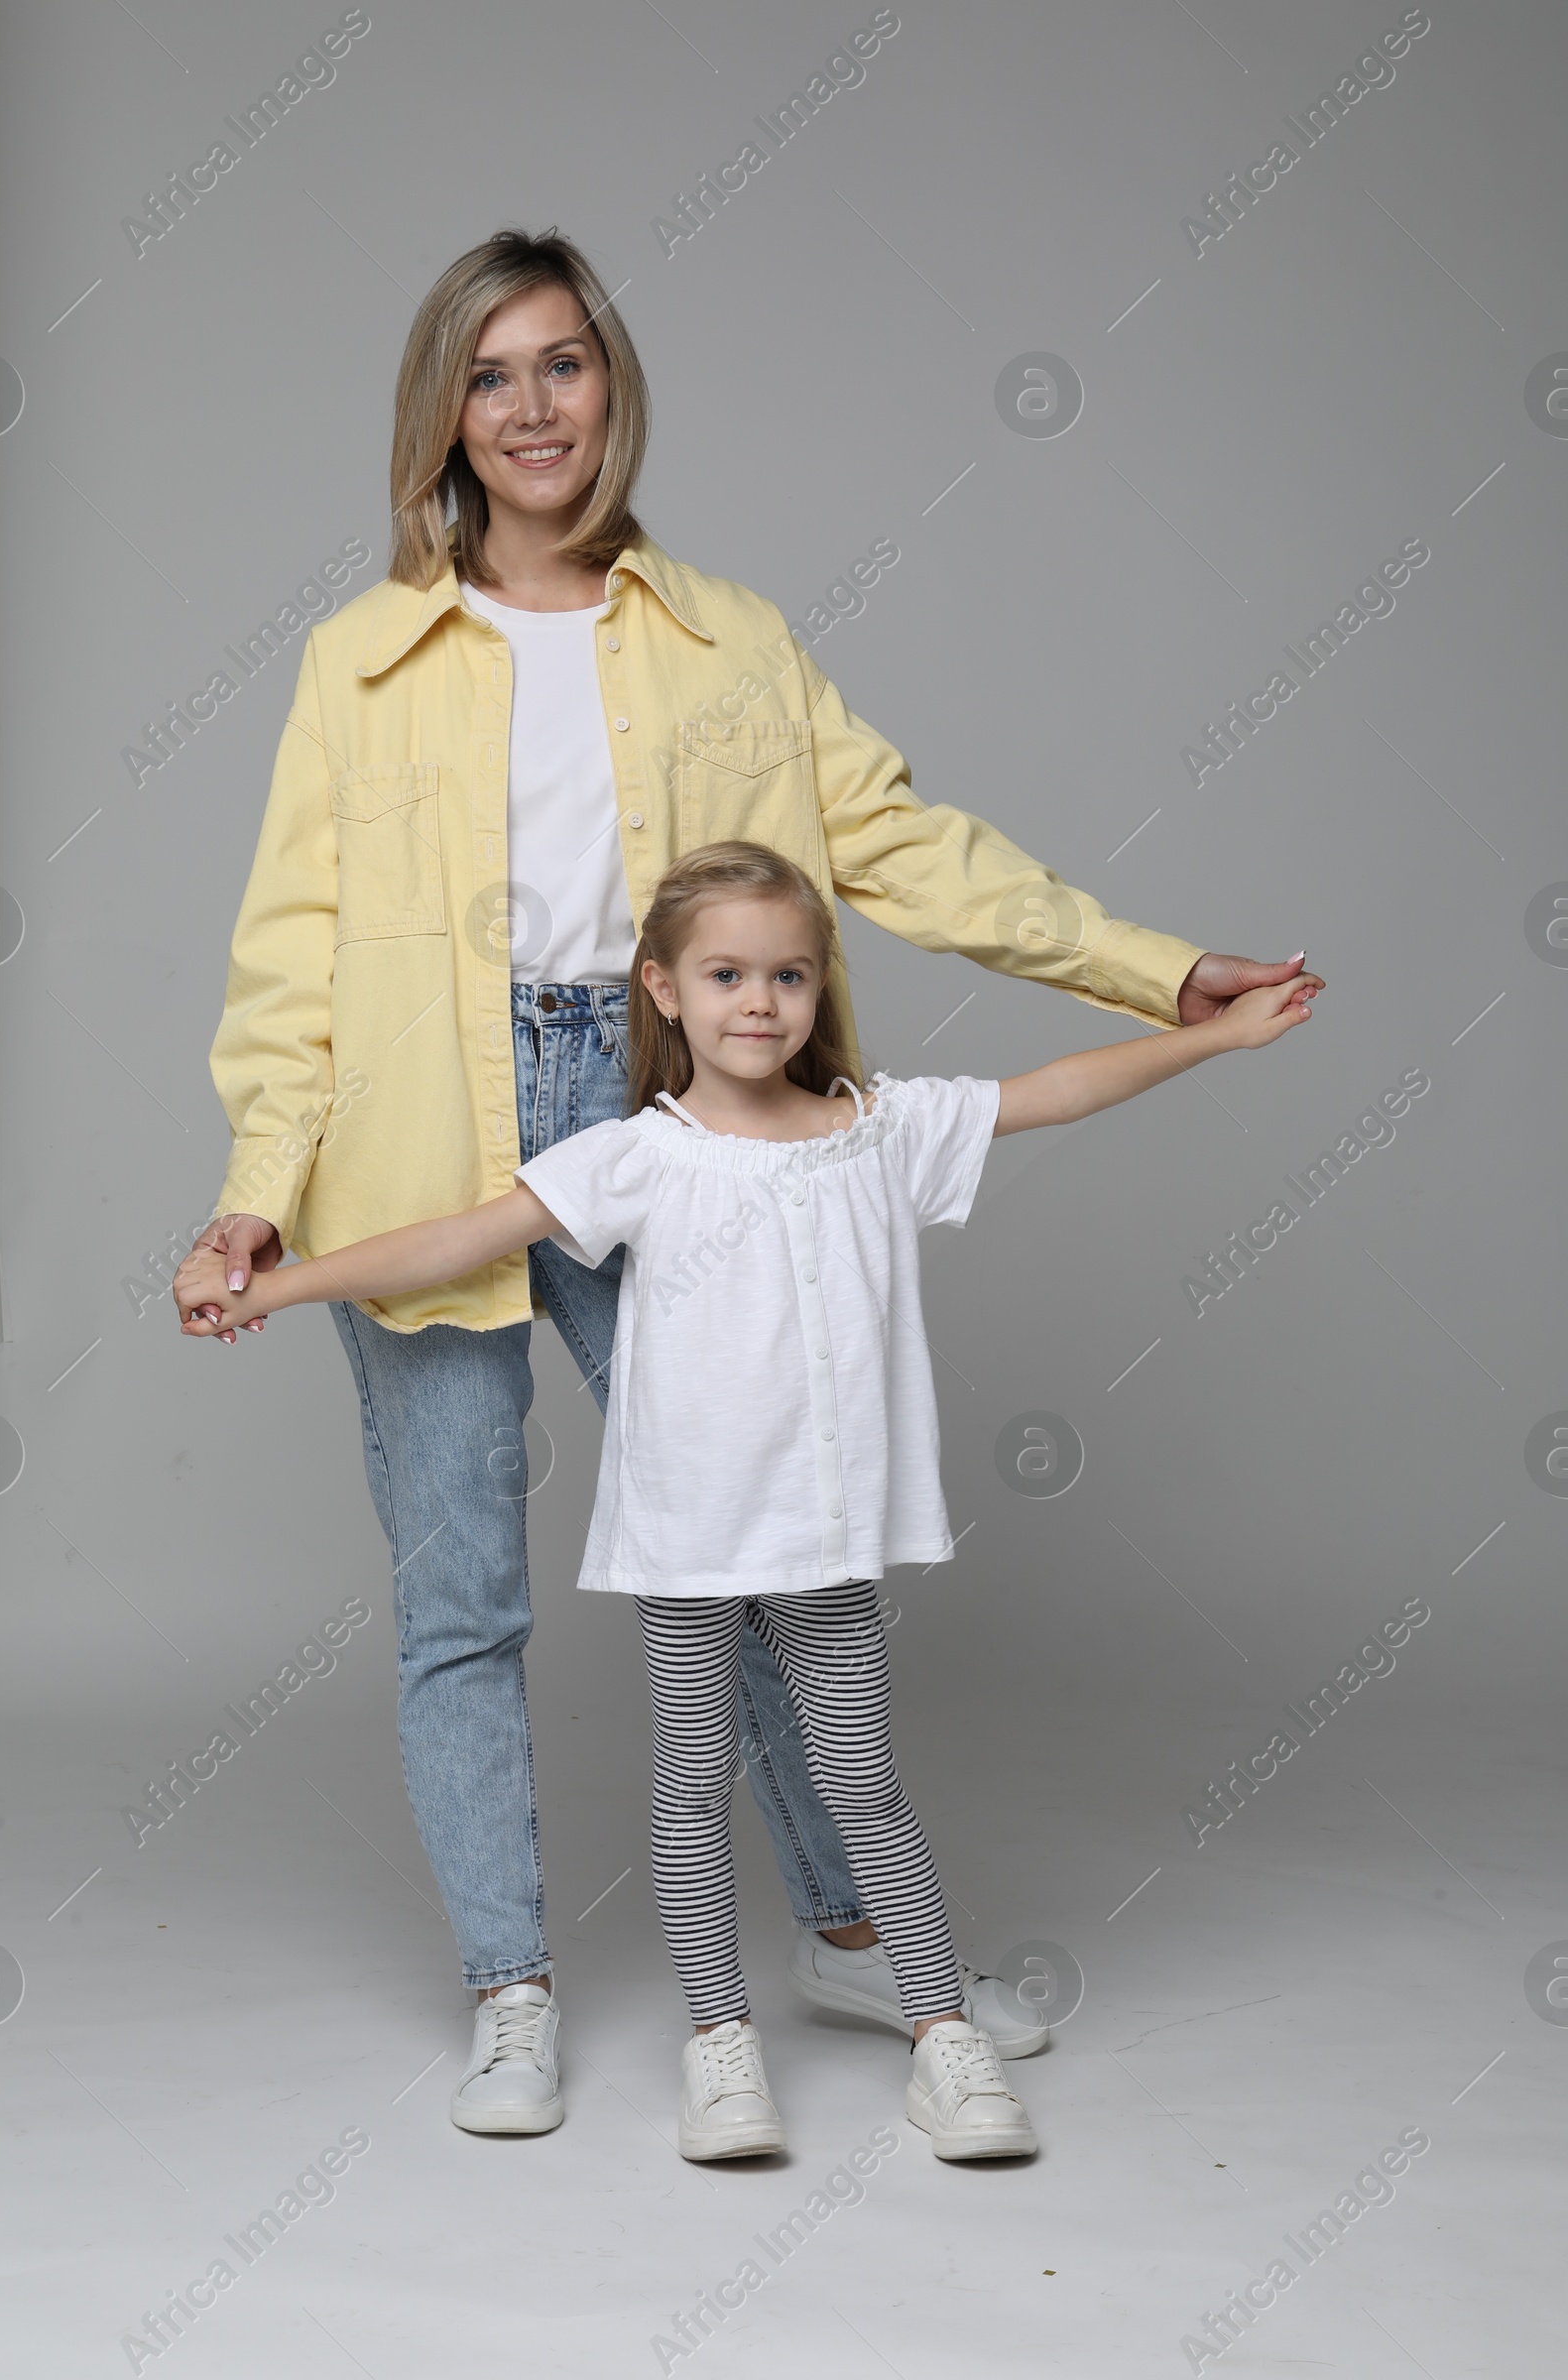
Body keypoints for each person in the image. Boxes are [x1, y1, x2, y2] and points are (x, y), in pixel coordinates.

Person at [182, 225, 1323, 2137]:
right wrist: (255, 1193)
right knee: (461, 1594)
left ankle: (854, 1939)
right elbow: (292, 956)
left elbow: (904, 847)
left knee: (771, 1549)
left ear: (611, 386)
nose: (535, 408)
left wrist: (1151, 972)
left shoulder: (729, 639)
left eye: (566, 364)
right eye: (492, 375)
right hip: (421, 1126)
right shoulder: (357, 662)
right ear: (443, 416)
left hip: (672, 1108)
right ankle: (511, 1983)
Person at [178, 840, 1310, 2160]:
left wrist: (1210, 1042)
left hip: (825, 1539)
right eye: (724, 974)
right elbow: (454, 1241)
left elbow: (1050, 1091)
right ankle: (721, 2048)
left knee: (867, 1789)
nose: (757, 1002)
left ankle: (942, 2036)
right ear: (662, 989)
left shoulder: (878, 1130)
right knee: (689, 1794)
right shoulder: (636, 1156)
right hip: (690, 1539)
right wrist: (266, 1281)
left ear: (818, 985)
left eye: (785, 973)